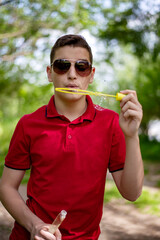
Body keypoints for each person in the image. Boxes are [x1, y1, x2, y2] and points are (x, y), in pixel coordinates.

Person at [0, 34, 144, 240]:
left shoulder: (112, 122)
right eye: (62, 66)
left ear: (91, 74)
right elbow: (6, 187)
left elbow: (132, 193)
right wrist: (35, 225)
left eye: (81, 67)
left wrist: (131, 136)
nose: (72, 75)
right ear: (50, 73)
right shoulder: (28, 124)